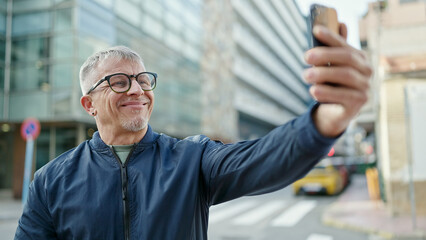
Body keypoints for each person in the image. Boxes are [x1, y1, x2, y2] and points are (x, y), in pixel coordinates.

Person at [15, 23, 372, 240]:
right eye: (119, 82)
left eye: (143, 79)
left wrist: (324, 121)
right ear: (88, 104)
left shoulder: (191, 159)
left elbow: (260, 160)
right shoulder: (50, 182)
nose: (137, 90)